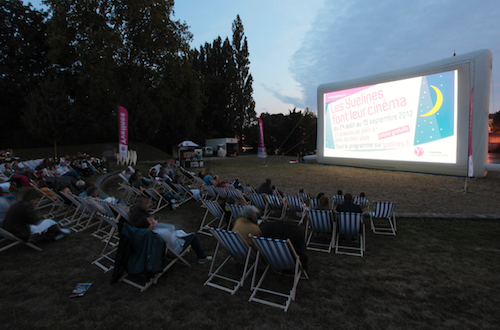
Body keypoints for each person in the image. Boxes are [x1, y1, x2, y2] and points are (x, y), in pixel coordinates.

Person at [134, 215, 212, 264]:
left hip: (165, 250)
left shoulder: (148, 234)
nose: (153, 221)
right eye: (150, 221)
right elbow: (171, 227)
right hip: (175, 249)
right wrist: (157, 224)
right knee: (193, 236)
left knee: (180, 232)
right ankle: (202, 257)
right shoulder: (160, 233)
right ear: (148, 226)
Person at [1, 188, 70, 241]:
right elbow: (33, 220)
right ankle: (56, 234)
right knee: (49, 222)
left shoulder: (19, 203)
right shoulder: (26, 205)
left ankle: (52, 234)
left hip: (8, 229)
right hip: (18, 231)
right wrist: (42, 218)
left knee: (44, 222)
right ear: (33, 198)